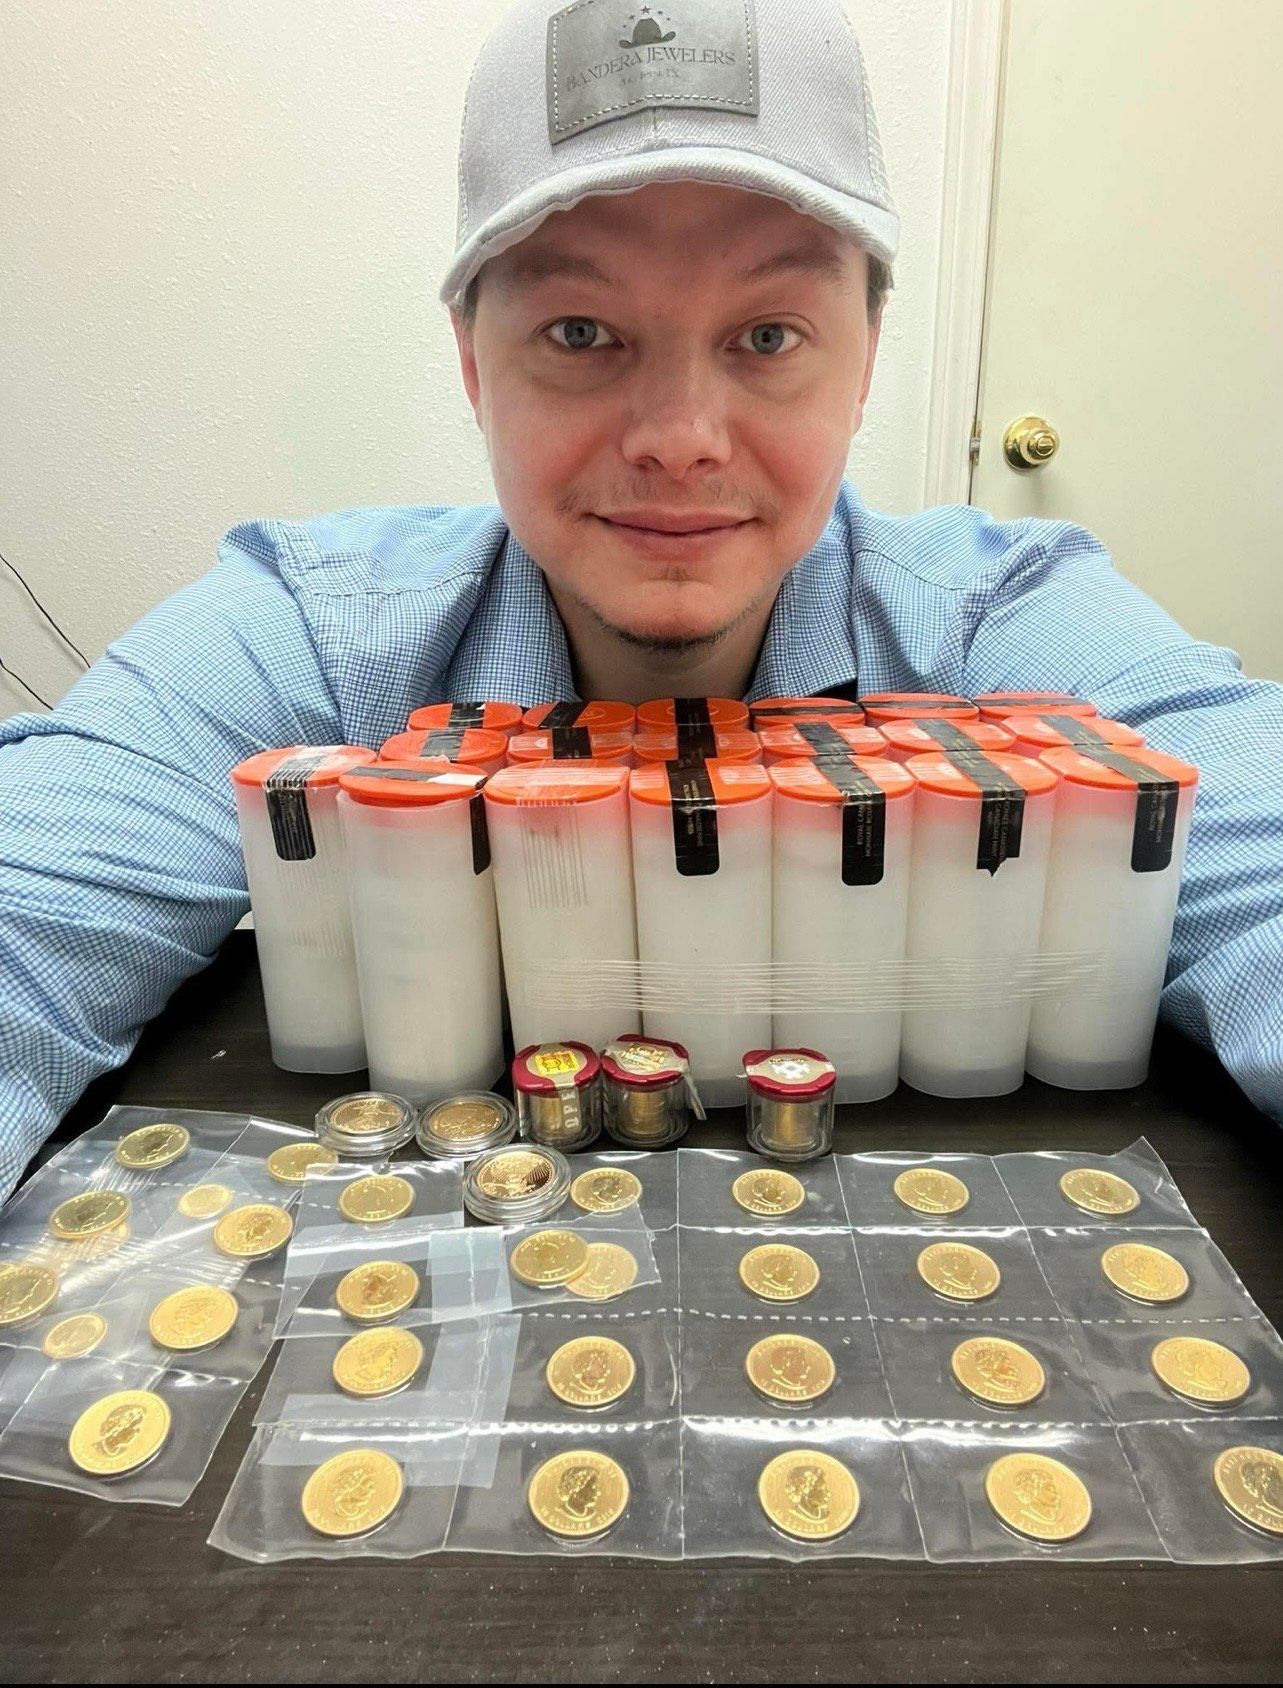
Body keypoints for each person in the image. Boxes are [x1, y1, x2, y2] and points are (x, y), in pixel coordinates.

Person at [0, 0, 1280, 1198]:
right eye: (578, 331)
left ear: (866, 361)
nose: (678, 438)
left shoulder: (1001, 622)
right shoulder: (315, 627)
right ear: (469, 363)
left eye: (767, 334)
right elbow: (30, 915)